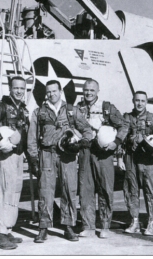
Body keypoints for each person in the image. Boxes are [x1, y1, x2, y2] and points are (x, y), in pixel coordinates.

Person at [27, 80, 93, 243]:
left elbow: (87, 129)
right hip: (47, 154)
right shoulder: (39, 112)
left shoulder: (71, 110)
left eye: (54, 91)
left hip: (67, 155)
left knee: (69, 189)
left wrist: (83, 141)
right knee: (45, 191)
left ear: (60, 91)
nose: (51, 94)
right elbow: (32, 138)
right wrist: (34, 159)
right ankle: (43, 227)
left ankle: (68, 226)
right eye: (48, 92)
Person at [76, 79, 129, 238]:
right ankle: (88, 225)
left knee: (105, 189)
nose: (89, 93)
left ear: (97, 91)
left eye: (92, 90)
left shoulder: (107, 108)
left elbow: (124, 125)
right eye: (86, 90)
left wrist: (116, 142)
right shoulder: (77, 108)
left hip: (103, 153)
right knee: (86, 189)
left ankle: (105, 225)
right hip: (85, 151)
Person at [0, 76, 29, 250]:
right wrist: (1, 142)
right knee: (5, 190)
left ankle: (7, 228)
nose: (19, 91)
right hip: (5, 154)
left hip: (18, 155)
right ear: (10, 88)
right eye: (16, 88)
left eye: (22, 88)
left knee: (15, 191)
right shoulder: (0, 106)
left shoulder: (23, 109)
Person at [118, 91, 153, 236]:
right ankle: (134, 221)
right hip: (131, 158)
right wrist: (119, 157)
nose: (139, 103)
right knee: (131, 190)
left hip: (148, 160)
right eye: (137, 100)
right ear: (133, 101)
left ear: (146, 102)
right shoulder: (127, 118)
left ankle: (152, 222)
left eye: (142, 101)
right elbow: (120, 136)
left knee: (151, 192)